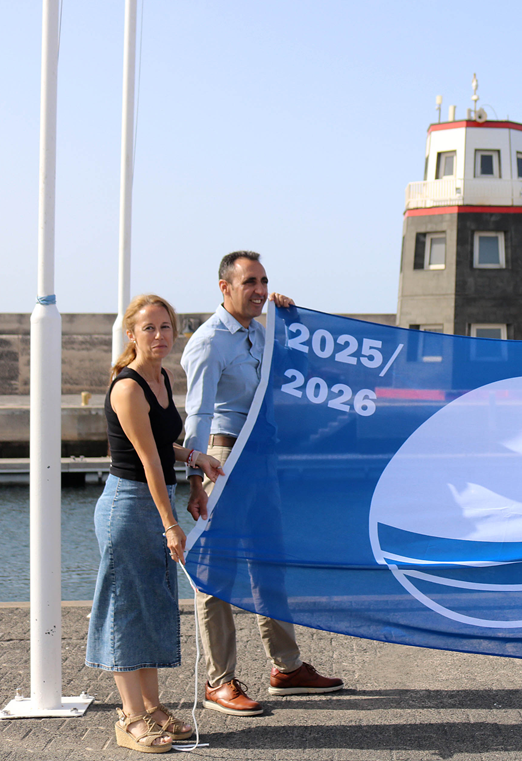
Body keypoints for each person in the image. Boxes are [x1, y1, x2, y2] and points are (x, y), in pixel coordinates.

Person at [182, 250, 343, 716]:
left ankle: (287, 668)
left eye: (263, 280)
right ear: (224, 287)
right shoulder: (209, 342)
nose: (258, 289)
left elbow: (299, 375)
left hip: (263, 456)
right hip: (225, 456)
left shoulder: (262, 332)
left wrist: (288, 323)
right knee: (218, 570)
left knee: (269, 563)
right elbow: (198, 413)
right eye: (249, 281)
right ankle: (220, 681)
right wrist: (196, 478)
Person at [87, 294, 223, 753]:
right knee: (128, 607)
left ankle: (153, 708)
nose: (161, 336)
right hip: (128, 506)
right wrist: (170, 524)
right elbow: (146, 461)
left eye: (167, 327)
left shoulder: (162, 377)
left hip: (151, 504)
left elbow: (163, 446)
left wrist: (193, 455)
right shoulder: (127, 387)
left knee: (152, 606)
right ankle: (130, 718)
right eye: (150, 328)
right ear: (131, 334)